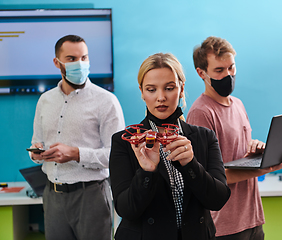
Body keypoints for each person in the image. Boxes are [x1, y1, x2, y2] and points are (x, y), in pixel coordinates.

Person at [109, 53, 231, 240]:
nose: (161, 97)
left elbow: (218, 200)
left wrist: (191, 164)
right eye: (151, 89)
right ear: (142, 92)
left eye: (169, 88)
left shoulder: (204, 137)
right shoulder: (125, 141)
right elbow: (126, 210)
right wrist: (147, 172)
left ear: (181, 89)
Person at [186, 36, 282, 240]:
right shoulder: (201, 113)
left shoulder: (238, 104)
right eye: (219, 70)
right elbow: (209, 179)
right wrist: (266, 168)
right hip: (224, 227)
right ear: (201, 73)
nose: (228, 75)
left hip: (253, 219)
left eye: (231, 67)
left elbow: (236, 154)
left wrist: (255, 151)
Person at [29, 34, 125, 240]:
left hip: (91, 196)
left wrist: (76, 154)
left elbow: (117, 156)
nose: (80, 64)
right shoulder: (45, 101)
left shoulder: (106, 101)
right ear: (57, 63)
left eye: (84, 58)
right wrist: (36, 153)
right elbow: (36, 141)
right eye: (72, 59)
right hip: (52, 197)